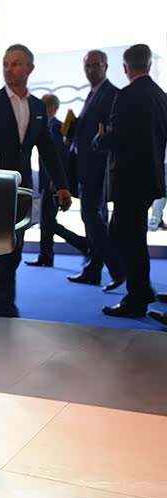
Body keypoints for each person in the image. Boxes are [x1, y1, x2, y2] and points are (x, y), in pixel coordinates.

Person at [0, 44, 72, 317]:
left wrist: (62, 185)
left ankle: (0, 306)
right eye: (5, 64)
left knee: (13, 248)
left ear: (29, 68)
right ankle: (0, 307)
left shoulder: (37, 107)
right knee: (6, 249)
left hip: (22, 189)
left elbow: (47, 150)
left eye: (14, 64)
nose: (8, 69)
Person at [93, 44, 167, 318]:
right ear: (149, 64)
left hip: (128, 181)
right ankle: (142, 289)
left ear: (125, 66)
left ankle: (136, 299)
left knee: (129, 240)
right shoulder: (161, 96)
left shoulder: (126, 96)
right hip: (149, 180)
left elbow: (116, 137)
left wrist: (100, 139)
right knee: (131, 237)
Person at [64, 50, 125, 289]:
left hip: (99, 169)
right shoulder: (93, 94)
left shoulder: (112, 94)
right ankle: (93, 270)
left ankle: (117, 267)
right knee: (94, 219)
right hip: (86, 167)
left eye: (96, 65)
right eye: (88, 66)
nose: (91, 70)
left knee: (91, 216)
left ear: (106, 67)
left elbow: (111, 133)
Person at [26, 93, 88, 266]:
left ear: (51, 107)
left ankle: (82, 244)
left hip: (53, 184)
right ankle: (46, 256)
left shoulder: (56, 128)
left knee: (48, 222)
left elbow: (60, 157)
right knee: (47, 222)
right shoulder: (49, 126)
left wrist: (58, 182)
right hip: (49, 182)